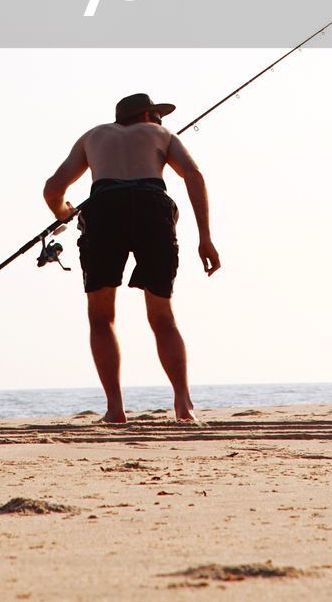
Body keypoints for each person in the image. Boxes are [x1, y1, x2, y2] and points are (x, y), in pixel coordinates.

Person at [43, 92, 220, 424]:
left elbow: (53, 188)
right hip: (152, 206)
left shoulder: (92, 136)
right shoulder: (162, 135)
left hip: (105, 209)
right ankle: (184, 405)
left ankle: (115, 409)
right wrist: (205, 238)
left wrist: (64, 213)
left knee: (101, 318)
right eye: (157, 116)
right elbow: (193, 176)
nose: (160, 122)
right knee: (163, 318)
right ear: (145, 116)